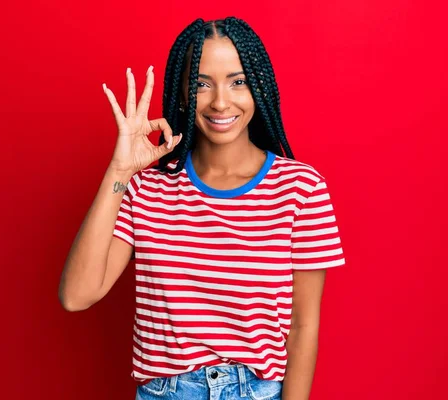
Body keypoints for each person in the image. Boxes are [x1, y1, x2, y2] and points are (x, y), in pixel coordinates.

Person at [59, 16, 346, 400]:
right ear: (180, 94)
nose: (220, 101)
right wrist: (120, 171)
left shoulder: (301, 189)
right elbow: (77, 295)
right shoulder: (145, 189)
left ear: (257, 87)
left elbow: (302, 326)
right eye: (201, 84)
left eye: (237, 81)